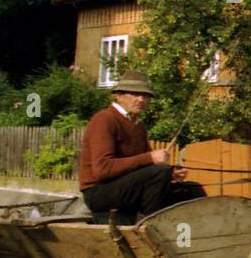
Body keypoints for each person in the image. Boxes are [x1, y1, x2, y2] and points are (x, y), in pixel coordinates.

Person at [79, 69, 206, 220]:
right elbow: (103, 169)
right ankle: (149, 225)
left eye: (146, 96)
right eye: (135, 94)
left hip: (126, 189)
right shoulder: (104, 120)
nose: (141, 99)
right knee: (160, 172)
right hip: (99, 193)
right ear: (119, 96)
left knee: (192, 190)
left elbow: (145, 168)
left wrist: (171, 173)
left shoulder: (139, 126)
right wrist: (150, 159)